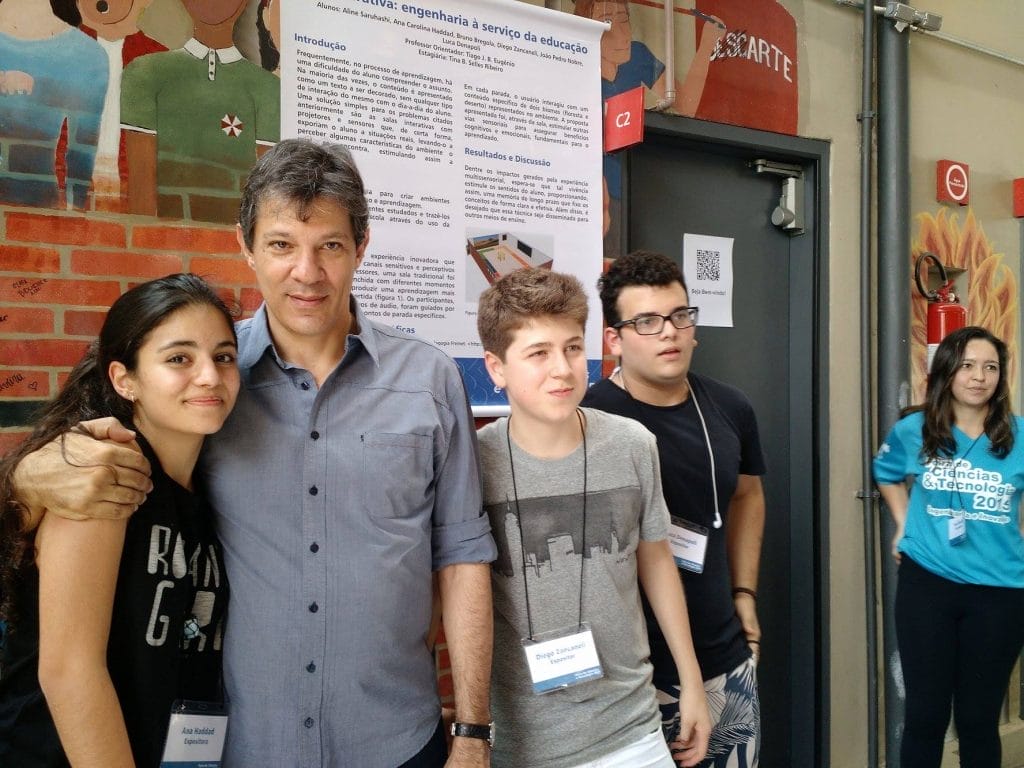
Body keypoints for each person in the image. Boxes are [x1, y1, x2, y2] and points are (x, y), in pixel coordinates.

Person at [10, 139, 497, 767]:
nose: (307, 271)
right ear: (246, 247)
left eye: (330, 245)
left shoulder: (427, 380)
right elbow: (103, 446)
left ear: (362, 247)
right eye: (281, 244)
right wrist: (31, 472)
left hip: (398, 741)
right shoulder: (209, 378)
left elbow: (460, 556)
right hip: (245, 745)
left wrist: (474, 733)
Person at [476, 267, 711, 768]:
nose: (561, 368)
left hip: (631, 729)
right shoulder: (473, 464)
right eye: (538, 353)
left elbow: (656, 561)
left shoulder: (632, 445)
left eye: (572, 348)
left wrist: (691, 682)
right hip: (523, 740)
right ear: (496, 368)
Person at [0, 273, 238, 766]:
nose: (210, 376)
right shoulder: (102, 475)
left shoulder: (209, 489)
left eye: (223, 356)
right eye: (179, 358)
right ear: (123, 379)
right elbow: (68, 671)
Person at [581, 250, 765, 767]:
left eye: (680, 316)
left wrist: (744, 592)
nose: (670, 332)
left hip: (722, 660)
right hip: (628, 677)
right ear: (614, 339)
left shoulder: (730, 407)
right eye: (647, 321)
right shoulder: (589, 420)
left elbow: (748, 495)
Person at [874, 326, 1024, 768]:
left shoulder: (1017, 435)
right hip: (928, 586)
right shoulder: (913, 430)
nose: (979, 377)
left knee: (978, 720)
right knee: (925, 716)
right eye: (968, 365)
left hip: (1001, 593)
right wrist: (903, 525)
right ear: (947, 372)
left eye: (991, 367)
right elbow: (885, 474)